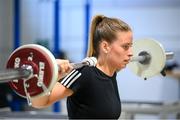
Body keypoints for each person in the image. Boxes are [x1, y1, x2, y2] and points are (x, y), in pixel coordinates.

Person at [31, 14, 133, 119]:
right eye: (125, 46)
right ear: (105, 47)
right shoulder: (84, 73)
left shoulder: (111, 74)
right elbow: (40, 103)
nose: (131, 53)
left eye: (131, 46)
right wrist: (50, 77)